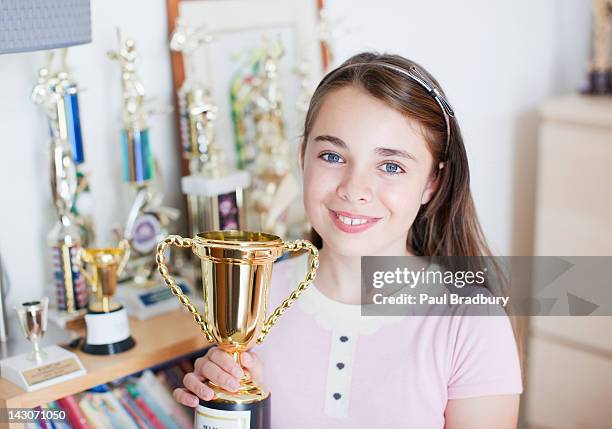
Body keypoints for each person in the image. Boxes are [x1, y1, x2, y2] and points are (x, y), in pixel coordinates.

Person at [173, 52, 523, 428]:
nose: (355, 189)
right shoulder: (253, 295)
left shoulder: (471, 323)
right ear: (302, 156)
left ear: (432, 183)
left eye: (391, 166)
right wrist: (224, 410)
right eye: (332, 156)